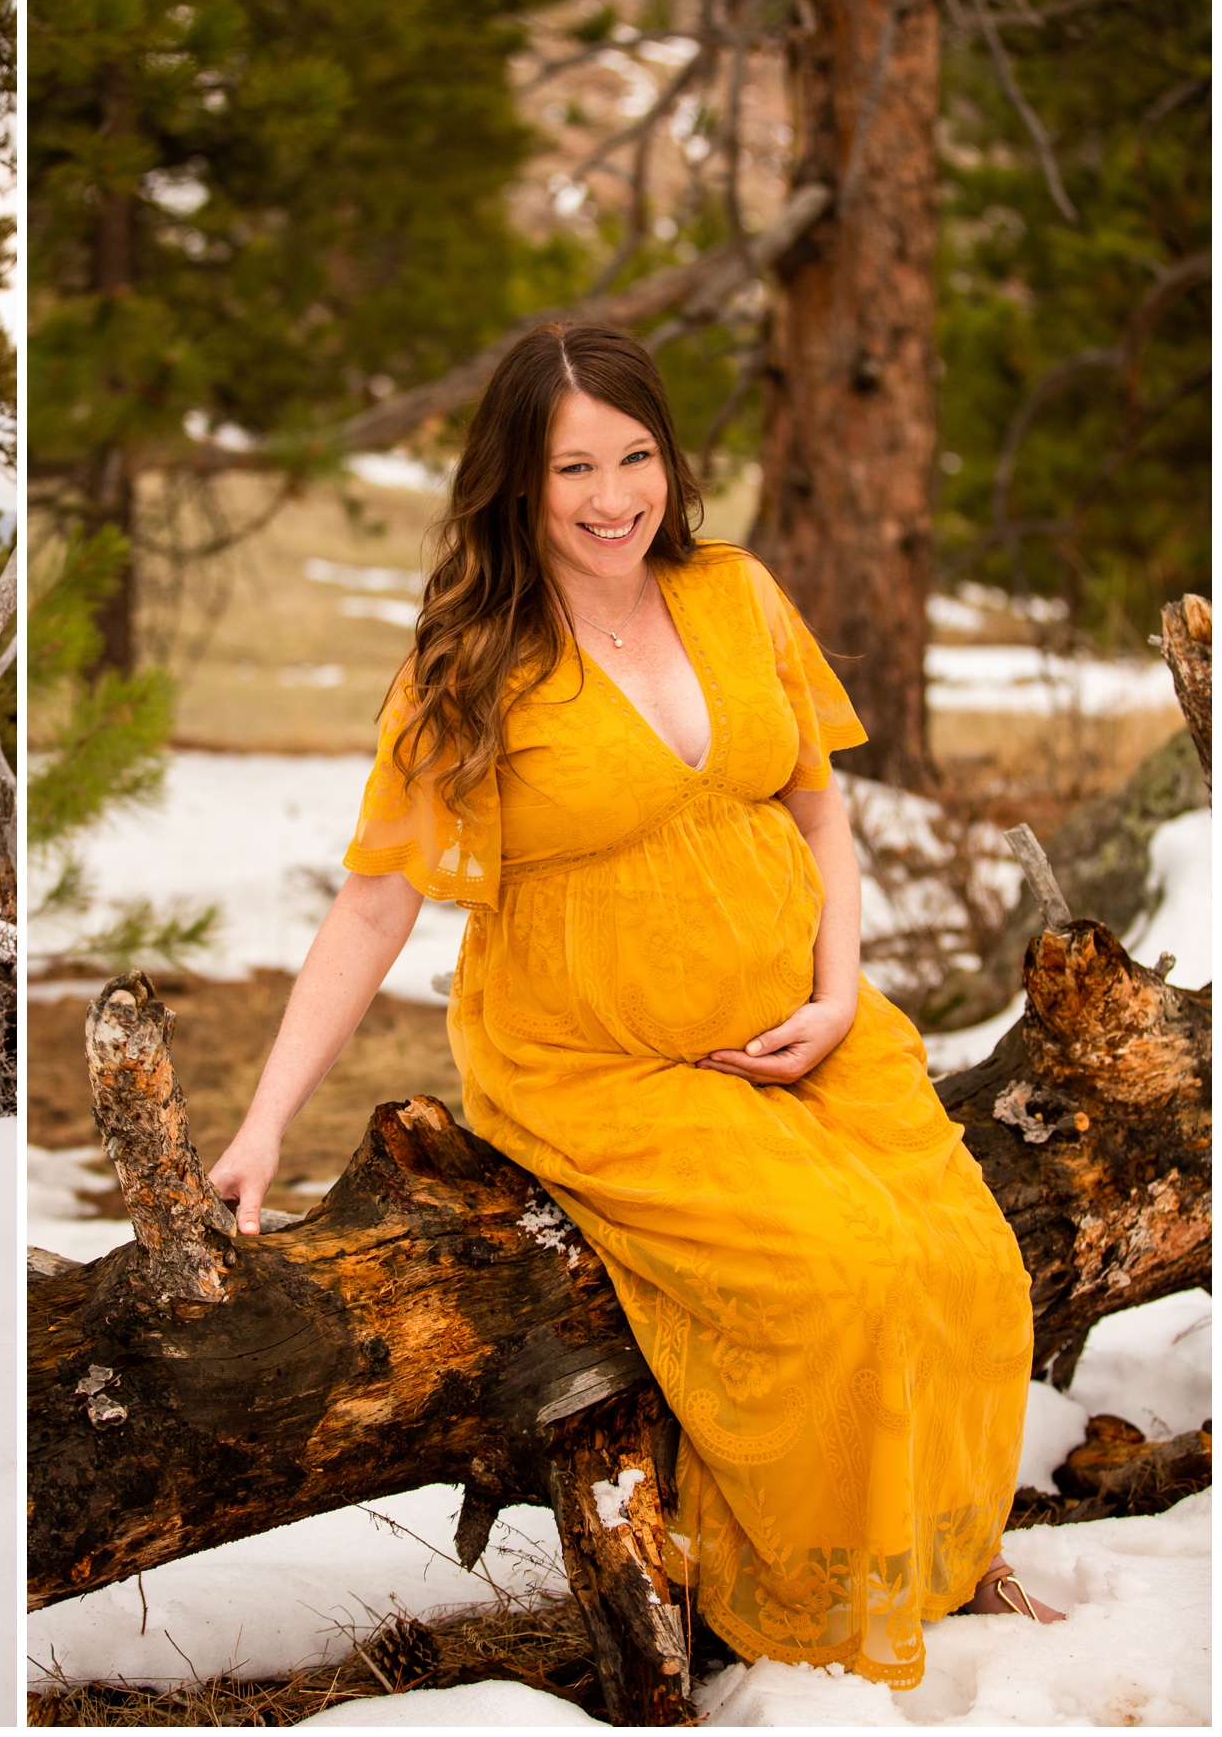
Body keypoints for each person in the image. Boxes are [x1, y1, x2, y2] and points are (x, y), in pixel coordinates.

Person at [206, 323, 1061, 1688]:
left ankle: (937, 1566)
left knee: (967, 1264)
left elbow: (819, 808)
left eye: (637, 455)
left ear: (671, 457)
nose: (614, 496)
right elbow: (375, 901)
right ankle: (815, 1628)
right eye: (573, 468)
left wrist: (840, 991)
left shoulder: (734, 592)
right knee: (841, 1278)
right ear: (516, 483)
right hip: (597, 1059)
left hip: (804, 1026)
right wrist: (261, 1125)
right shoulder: (473, 656)